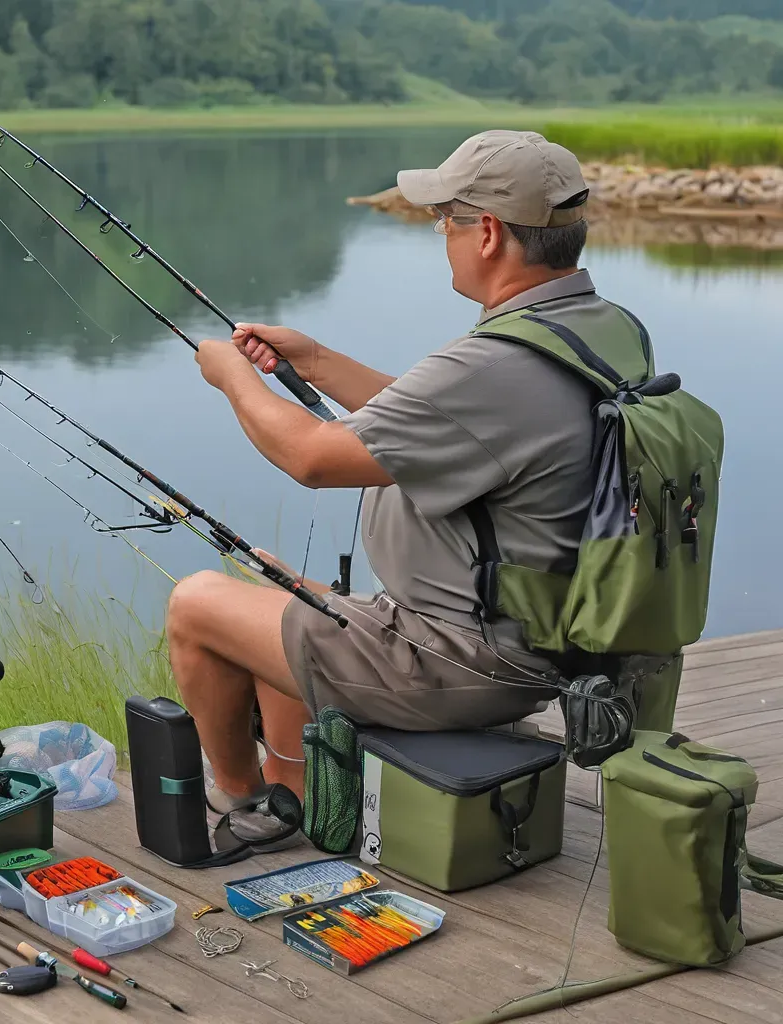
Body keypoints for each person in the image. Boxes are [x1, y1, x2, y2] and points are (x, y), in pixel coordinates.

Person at [168, 129, 630, 847]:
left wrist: (231, 376)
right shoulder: (594, 330)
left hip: (456, 660)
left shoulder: (494, 366)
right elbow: (446, 424)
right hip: (540, 646)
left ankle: (236, 798)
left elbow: (314, 459)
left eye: (445, 220)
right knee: (277, 579)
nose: (439, 235)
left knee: (196, 606)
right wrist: (315, 361)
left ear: (486, 233)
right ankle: (292, 786)